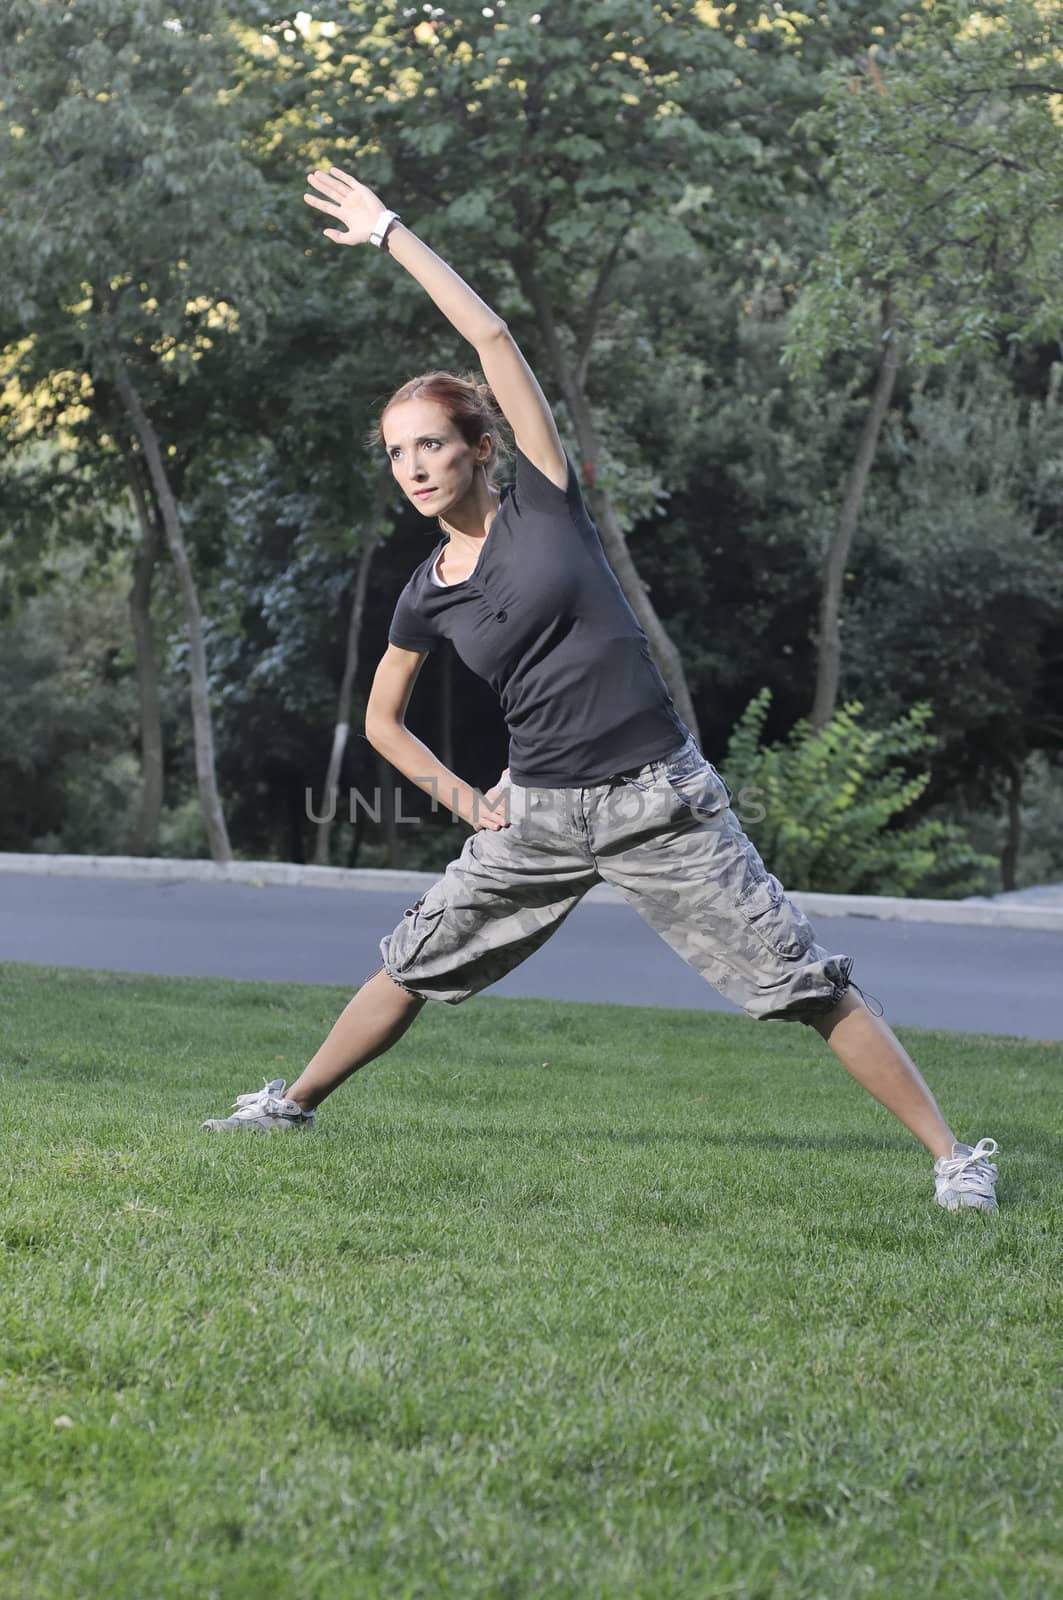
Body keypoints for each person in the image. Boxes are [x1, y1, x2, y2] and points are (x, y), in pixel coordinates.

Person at [202, 164, 999, 1215]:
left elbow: (491, 341)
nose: (413, 466)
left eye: (432, 443)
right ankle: (291, 1103)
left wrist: (391, 232)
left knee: (798, 979)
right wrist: (463, 800)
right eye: (397, 453)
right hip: (533, 814)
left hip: (656, 801)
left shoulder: (543, 502)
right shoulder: (423, 593)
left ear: (480, 447)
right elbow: (379, 722)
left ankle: (955, 1159)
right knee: (413, 962)